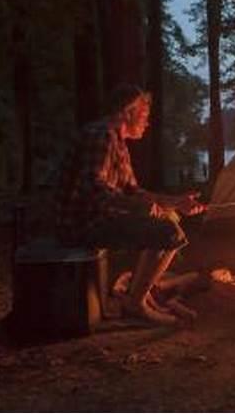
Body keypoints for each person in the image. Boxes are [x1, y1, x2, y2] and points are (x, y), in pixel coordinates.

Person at [55, 84, 206, 326]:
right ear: (128, 113)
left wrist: (175, 203)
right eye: (144, 116)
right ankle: (135, 304)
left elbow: (134, 192)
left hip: (99, 216)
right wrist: (136, 207)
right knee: (168, 231)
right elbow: (92, 187)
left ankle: (142, 295)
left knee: (172, 219)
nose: (147, 123)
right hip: (82, 223)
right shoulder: (101, 135)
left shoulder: (119, 143)